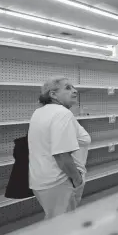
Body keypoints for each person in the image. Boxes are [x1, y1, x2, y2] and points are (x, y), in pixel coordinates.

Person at [28, 76, 91, 220]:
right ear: (53, 94)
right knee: (64, 228)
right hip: (60, 181)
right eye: (68, 88)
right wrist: (77, 180)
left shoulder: (39, 112)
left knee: (54, 221)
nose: (75, 91)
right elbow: (62, 155)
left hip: (41, 181)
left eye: (74, 87)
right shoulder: (62, 114)